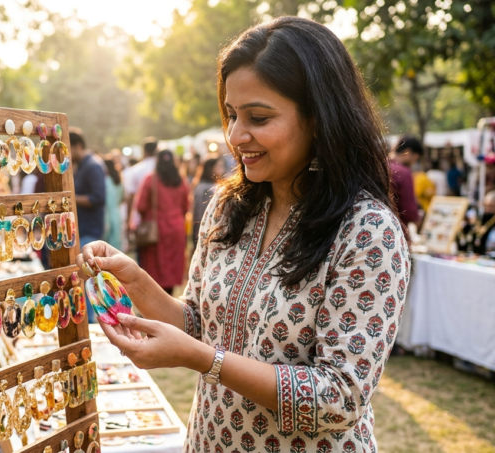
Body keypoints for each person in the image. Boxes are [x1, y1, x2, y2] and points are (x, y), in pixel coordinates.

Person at [77, 17, 410, 452]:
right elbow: (198, 323)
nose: (235, 135)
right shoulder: (229, 206)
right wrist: (136, 281)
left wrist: (203, 360)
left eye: (258, 117)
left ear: (319, 118)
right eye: (232, 115)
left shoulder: (366, 230)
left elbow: (340, 397)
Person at [134, 150, 190, 295]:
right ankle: (168, 299)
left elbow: (140, 206)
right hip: (176, 227)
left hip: (156, 229)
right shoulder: (181, 180)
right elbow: (186, 207)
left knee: (155, 267)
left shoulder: (151, 179)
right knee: (172, 266)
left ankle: (154, 303)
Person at [70, 129, 106, 246]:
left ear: (78, 146)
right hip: (82, 230)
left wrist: (70, 199)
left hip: (90, 231)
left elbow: (98, 197)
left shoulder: (92, 166)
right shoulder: (81, 166)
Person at [123, 138, 158, 236]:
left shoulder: (136, 170)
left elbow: (131, 196)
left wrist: (128, 221)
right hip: (163, 219)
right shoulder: (164, 170)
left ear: (144, 151)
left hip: (141, 219)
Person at [192, 156, 225, 244]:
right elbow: (199, 213)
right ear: (211, 168)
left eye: (222, 165)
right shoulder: (203, 188)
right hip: (206, 229)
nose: (221, 168)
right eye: (218, 166)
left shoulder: (219, 184)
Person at [103, 156, 124, 250]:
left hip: (106, 215)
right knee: (116, 244)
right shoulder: (119, 181)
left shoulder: (105, 181)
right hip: (117, 214)